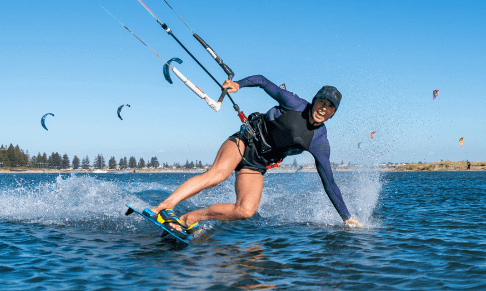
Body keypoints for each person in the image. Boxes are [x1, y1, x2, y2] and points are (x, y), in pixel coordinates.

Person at [151, 75, 361, 233]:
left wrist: (346, 217)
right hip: (245, 141)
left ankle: (188, 219)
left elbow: (329, 182)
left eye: (330, 107)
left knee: (245, 210)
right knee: (218, 175)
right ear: (315, 100)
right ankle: (163, 207)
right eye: (322, 102)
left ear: (334, 113)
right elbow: (262, 81)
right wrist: (238, 84)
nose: (324, 108)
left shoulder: (320, 142)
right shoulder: (295, 103)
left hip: (257, 164)